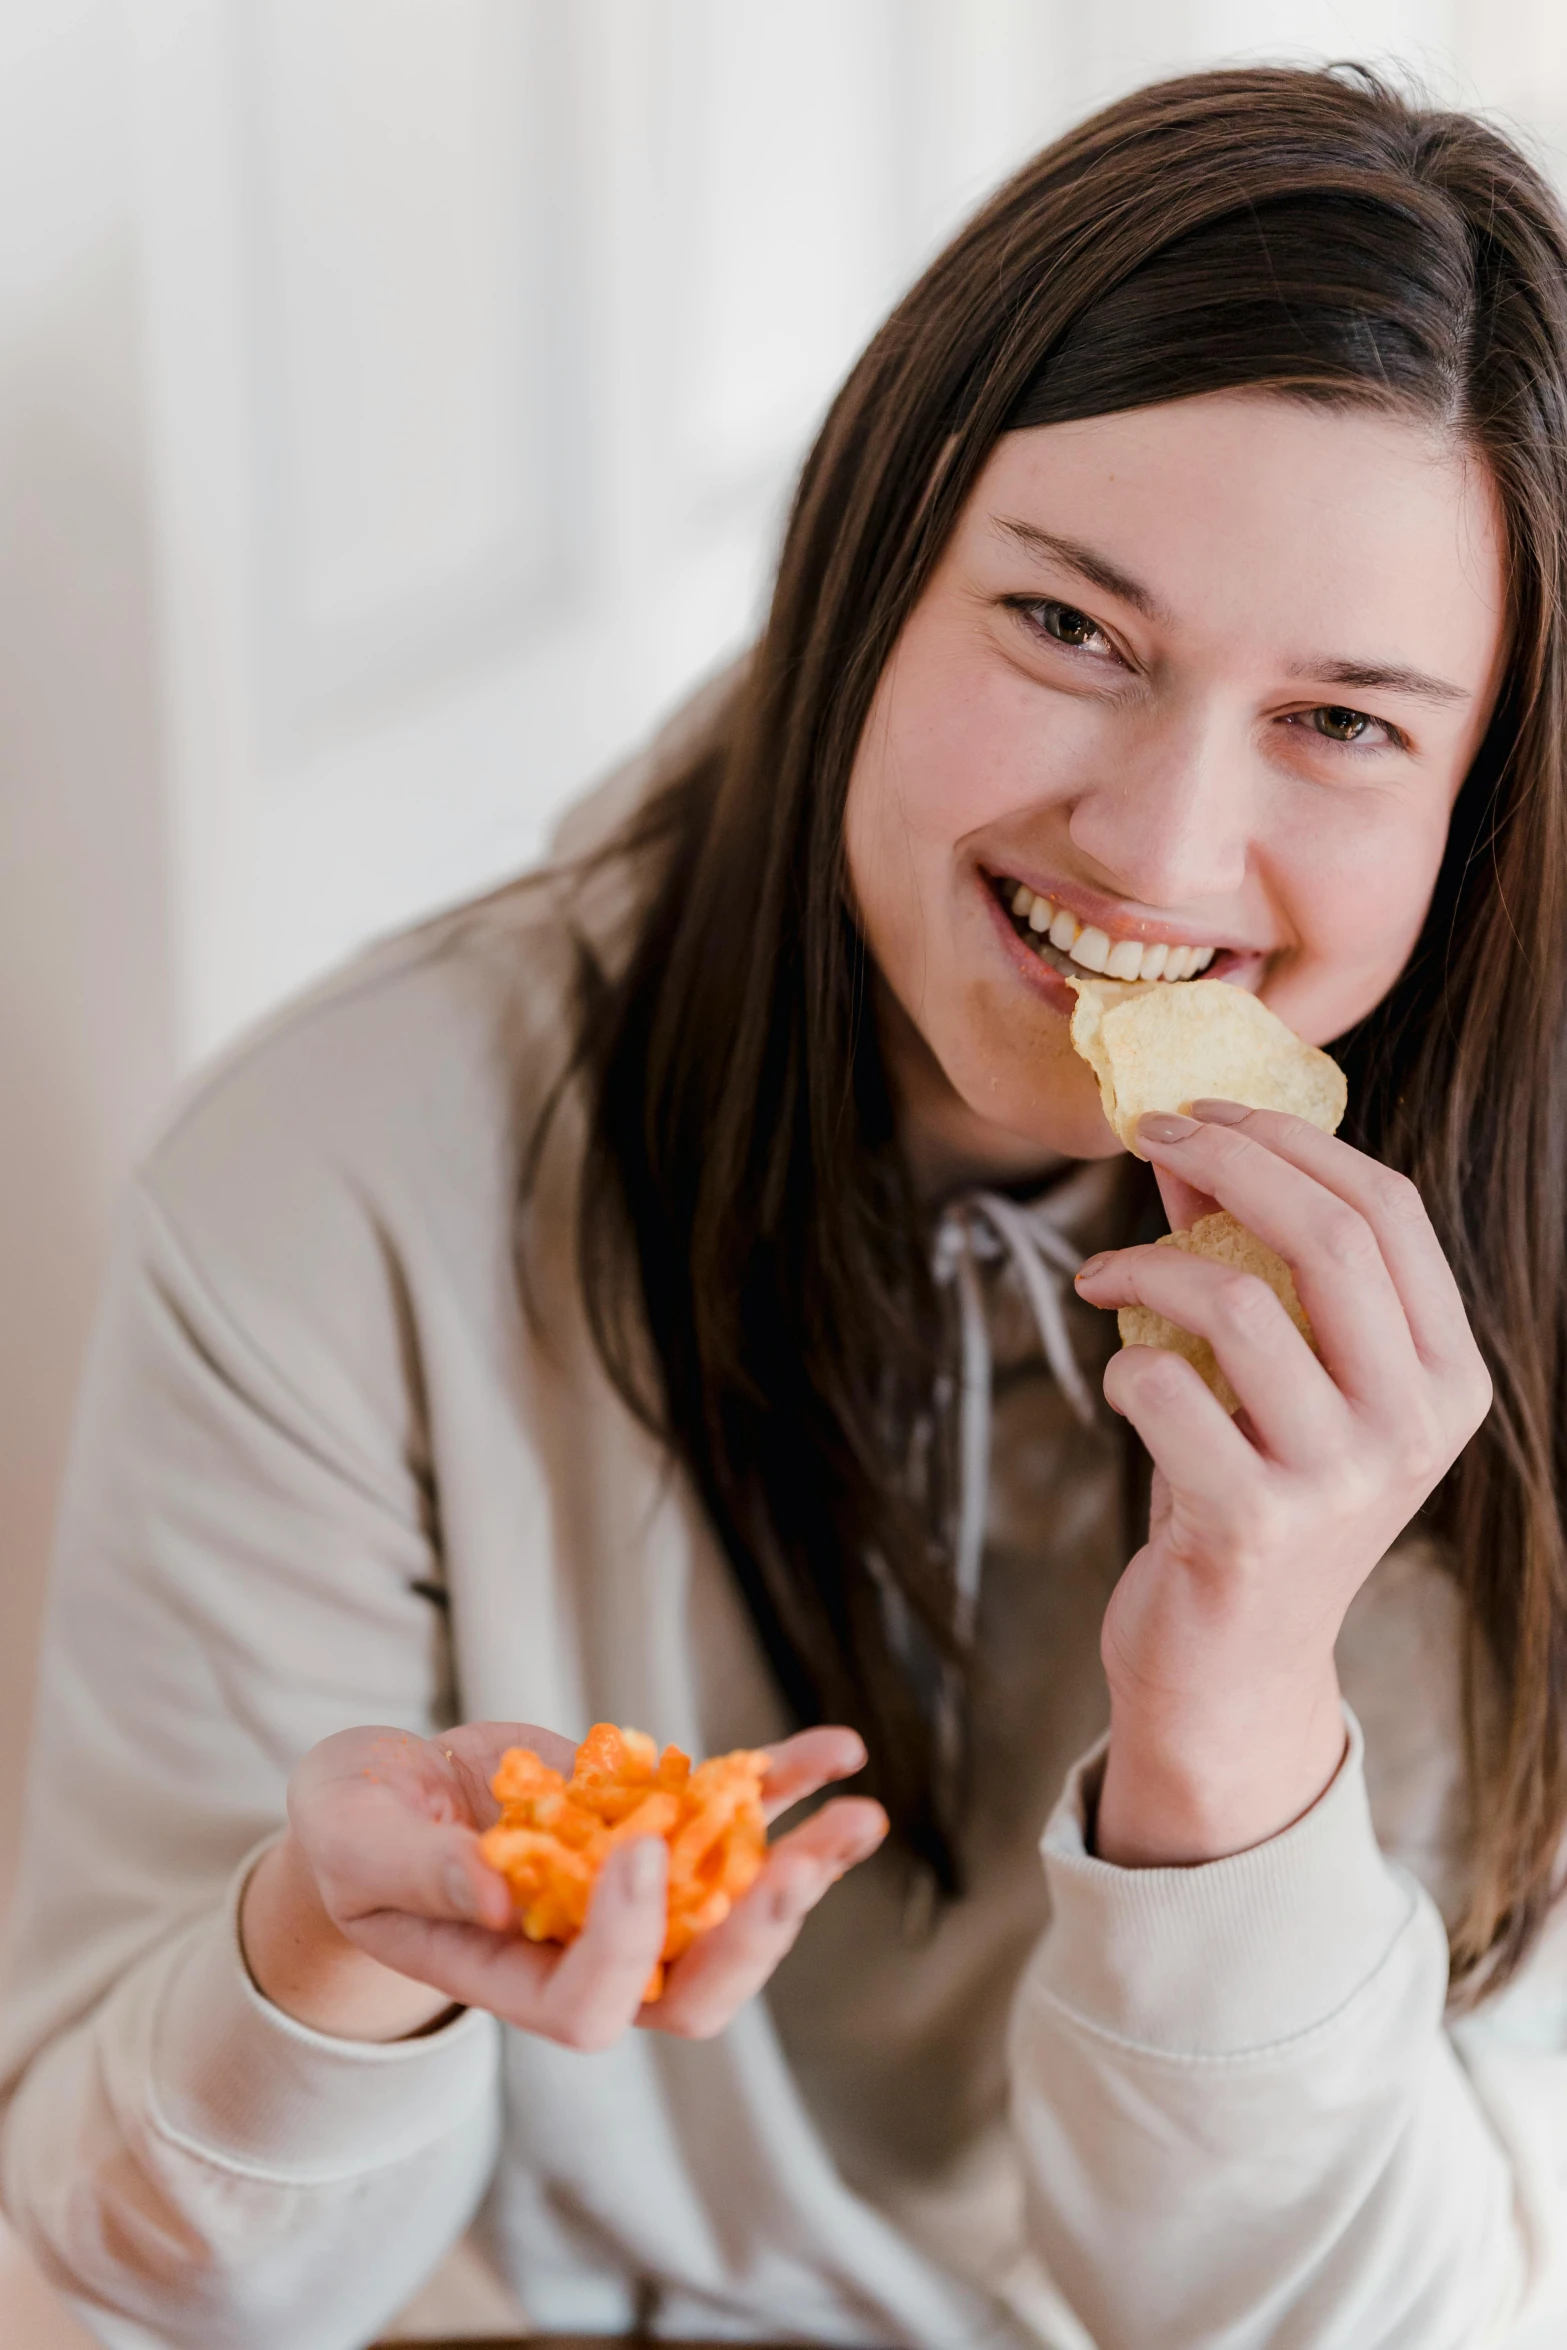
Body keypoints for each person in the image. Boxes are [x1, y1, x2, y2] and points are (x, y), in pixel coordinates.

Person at [2, 58, 1564, 2350]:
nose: (1152, 843)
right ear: (870, 569)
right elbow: (103, 2270)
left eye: (1345, 723)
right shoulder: (324, 1186)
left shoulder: (1519, 1320)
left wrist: (1234, 1719)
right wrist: (328, 1947)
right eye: (1069, 627)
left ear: (1481, 802)